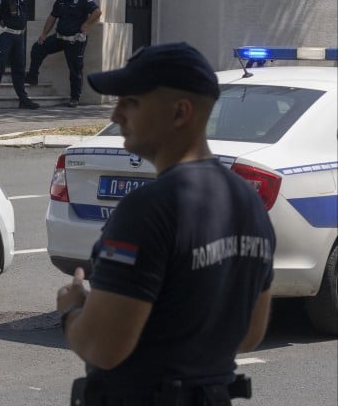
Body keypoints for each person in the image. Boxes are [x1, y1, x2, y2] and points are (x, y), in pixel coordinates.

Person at [56, 43, 274, 406]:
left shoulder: (149, 208)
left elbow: (103, 347)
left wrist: (72, 310)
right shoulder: (248, 201)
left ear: (180, 113)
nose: (116, 114)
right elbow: (250, 333)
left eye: (132, 102)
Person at [26, 0, 101, 107]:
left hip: (75, 41)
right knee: (38, 47)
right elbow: (52, 17)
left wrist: (87, 24)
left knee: (75, 69)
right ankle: (32, 77)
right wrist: (44, 34)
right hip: (60, 37)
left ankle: (74, 98)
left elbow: (97, 12)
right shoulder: (61, 0)